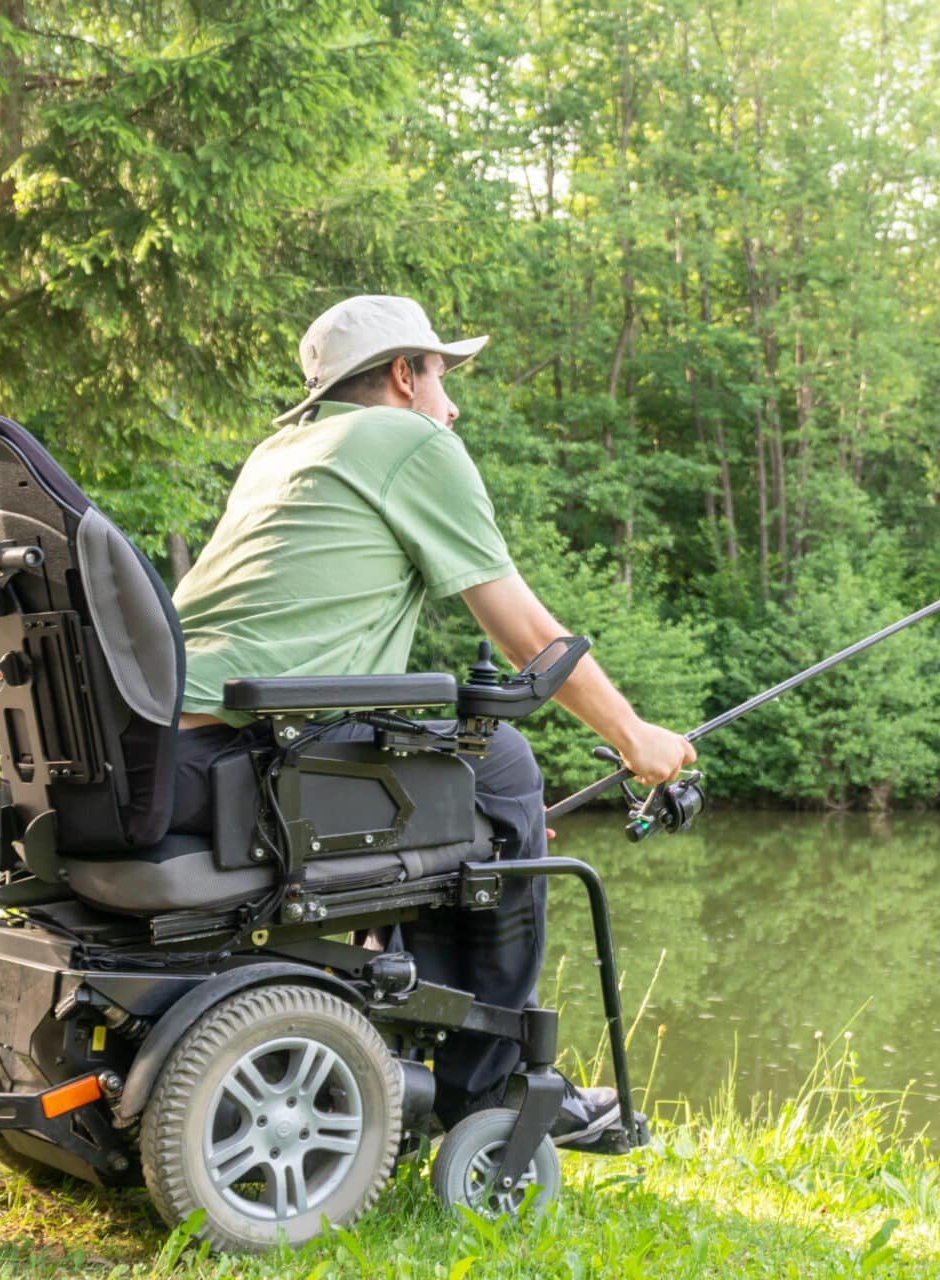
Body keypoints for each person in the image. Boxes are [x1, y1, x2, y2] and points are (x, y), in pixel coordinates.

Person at [167, 294, 695, 1147]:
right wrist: (638, 740)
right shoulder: (410, 439)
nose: (454, 407)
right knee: (504, 766)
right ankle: (491, 1093)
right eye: (443, 377)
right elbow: (525, 631)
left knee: (464, 789)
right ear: (405, 376)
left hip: (164, 759)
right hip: (249, 763)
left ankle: (424, 1053)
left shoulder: (282, 451)